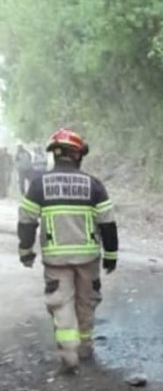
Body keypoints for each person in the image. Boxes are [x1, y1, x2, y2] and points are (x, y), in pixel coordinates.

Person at [17, 129, 119, 373]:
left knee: (61, 303)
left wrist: (26, 251)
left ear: (55, 154)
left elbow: (26, 221)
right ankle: (85, 347)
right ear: (77, 155)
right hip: (89, 259)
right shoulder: (93, 185)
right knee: (87, 302)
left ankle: (69, 353)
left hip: (56, 260)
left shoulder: (39, 185)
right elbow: (108, 223)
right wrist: (111, 255)